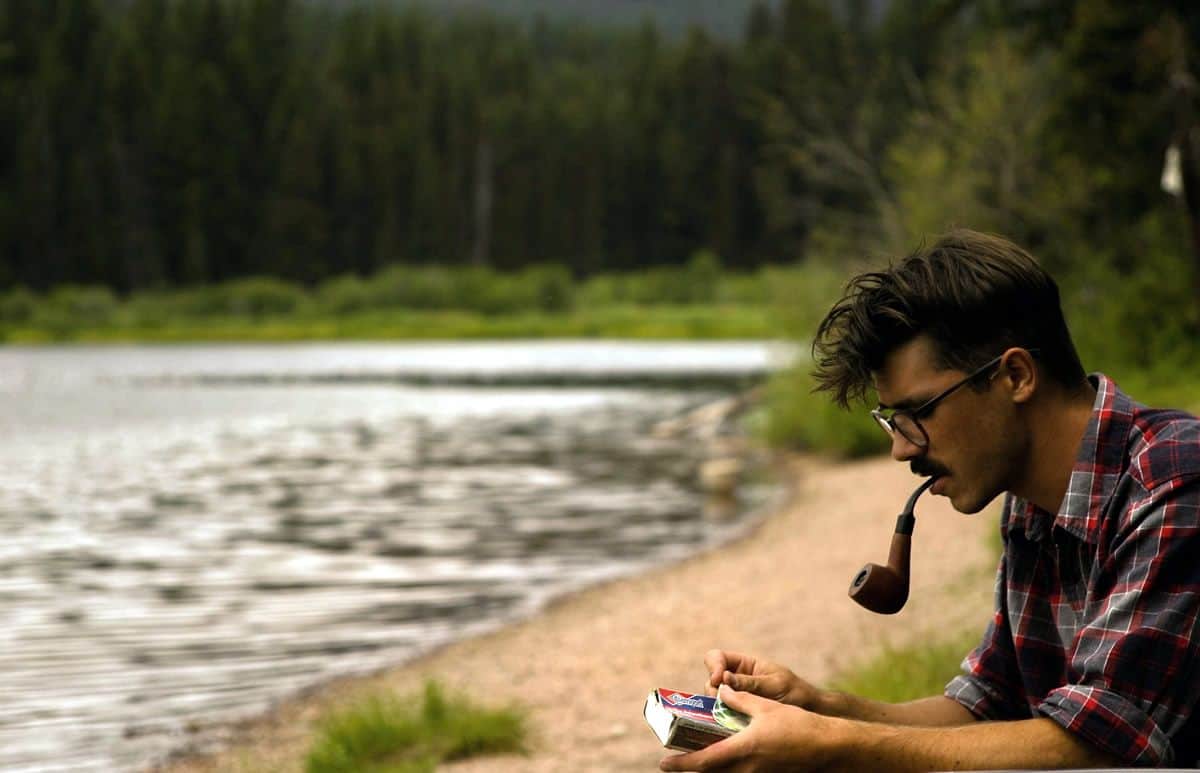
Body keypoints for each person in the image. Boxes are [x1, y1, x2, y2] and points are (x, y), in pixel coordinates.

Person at [662, 230, 1200, 771]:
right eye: (892, 420)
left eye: (919, 411)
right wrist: (821, 709)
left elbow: (1101, 745)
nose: (900, 449)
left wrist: (830, 746)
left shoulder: (1175, 485)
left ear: (1015, 376)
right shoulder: (1032, 506)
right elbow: (986, 707)